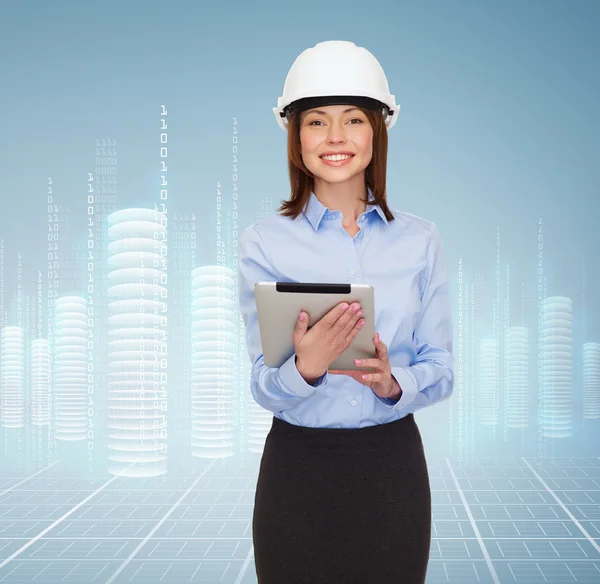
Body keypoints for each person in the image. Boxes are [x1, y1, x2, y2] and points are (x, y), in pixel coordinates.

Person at [237, 40, 454, 584]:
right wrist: (305, 368)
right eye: (316, 122)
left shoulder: (420, 242)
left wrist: (393, 382)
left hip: (390, 472)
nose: (335, 138)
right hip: (297, 472)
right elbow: (263, 383)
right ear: (296, 137)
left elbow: (442, 366)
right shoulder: (263, 242)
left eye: (353, 119)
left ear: (377, 131)